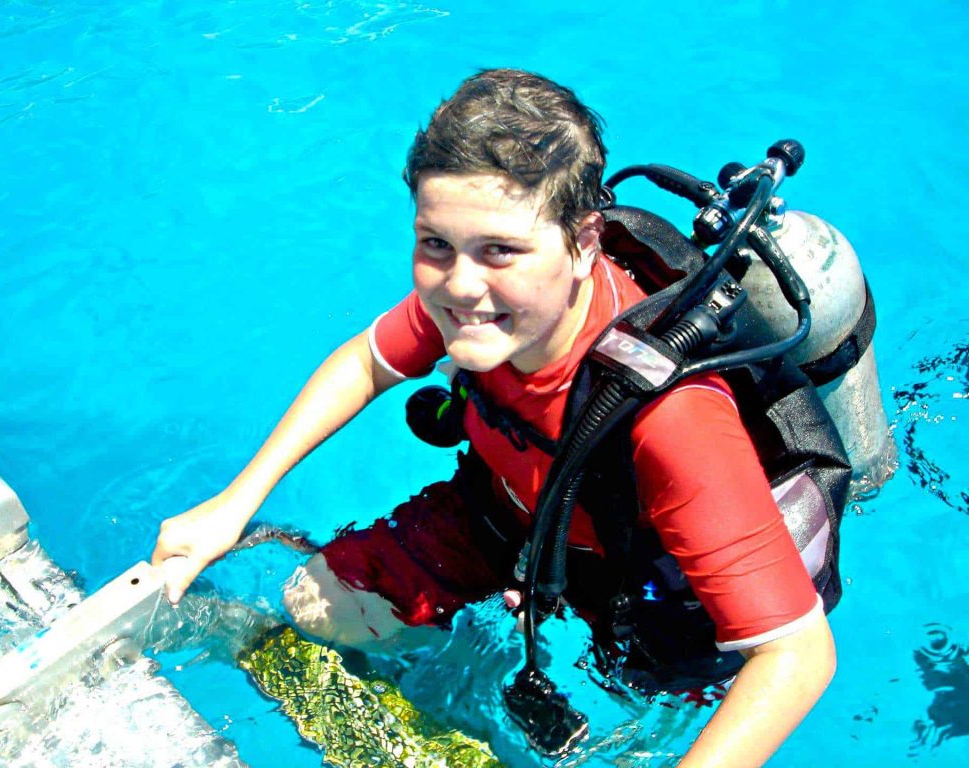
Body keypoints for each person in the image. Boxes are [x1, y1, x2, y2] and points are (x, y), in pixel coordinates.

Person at [151, 68, 837, 767]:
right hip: (511, 515)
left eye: (501, 251)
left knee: (631, 719)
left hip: (638, 586)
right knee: (320, 603)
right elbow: (366, 361)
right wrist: (234, 504)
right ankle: (468, 682)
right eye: (436, 244)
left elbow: (796, 655)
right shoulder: (482, 312)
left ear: (585, 242)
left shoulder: (677, 423)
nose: (459, 285)